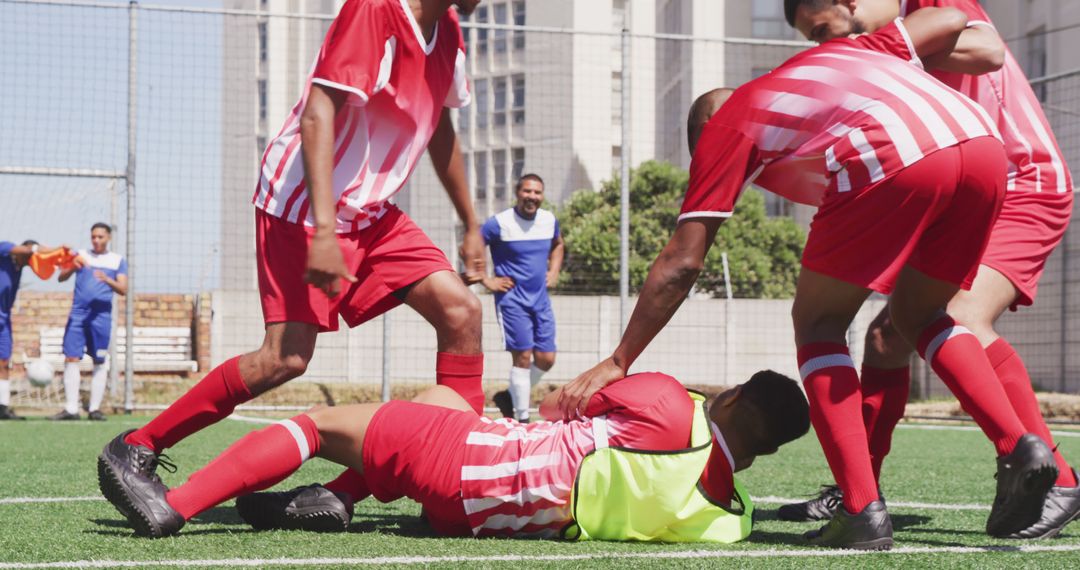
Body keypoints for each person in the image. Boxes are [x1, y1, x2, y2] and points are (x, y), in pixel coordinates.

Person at [561, 9, 1059, 550]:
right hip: (983, 147)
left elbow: (682, 263)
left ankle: (862, 509)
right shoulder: (845, 55)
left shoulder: (725, 123)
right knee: (921, 315)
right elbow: (952, 18)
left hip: (897, 152)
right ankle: (1016, 444)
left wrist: (619, 360)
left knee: (819, 324)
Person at [98, 0, 488, 517]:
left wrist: (472, 223)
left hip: (371, 212)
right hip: (303, 203)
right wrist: (325, 230)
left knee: (462, 312)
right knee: (284, 359)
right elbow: (318, 110)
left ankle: (347, 491)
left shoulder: (451, 32)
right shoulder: (376, 12)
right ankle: (140, 444)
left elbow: (438, 126)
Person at [781, 0, 1079, 540]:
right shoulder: (888, 39)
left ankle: (1058, 478)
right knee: (886, 340)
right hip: (961, 183)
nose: (823, 45)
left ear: (848, 3)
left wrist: (871, 49)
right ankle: (859, 493)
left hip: (1021, 182)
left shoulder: (926, 4)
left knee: (959, 315)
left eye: (821, 30)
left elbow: (986, 49)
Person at [103, 368, 809, 540]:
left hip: (465, 463)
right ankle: (342, 497)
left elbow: (573, 403)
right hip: (479, 518)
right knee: (444, 393)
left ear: (737, 397)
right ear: (767, 448)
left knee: (318, 423)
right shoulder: (729, 518)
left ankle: (175, 505)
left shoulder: (668, 402)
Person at [480, 174, 565, 422]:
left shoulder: (549, 220)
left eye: (537, 193)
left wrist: (554, 270)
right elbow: (474, 245)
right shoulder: (499, 223)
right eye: (527, 191)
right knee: (524, 357)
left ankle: (508, 396)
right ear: (517, 192)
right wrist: (486, 280)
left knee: (547, 359)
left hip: (540, 300)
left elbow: (558, 244)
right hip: (511, 300)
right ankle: (522, 418)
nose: (532, 197)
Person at [51, 223, 127, 422]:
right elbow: (61, 277)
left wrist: (107, 280)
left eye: (100, 237)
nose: (96, 240)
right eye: (93, 236)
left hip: (101, 316)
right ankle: (71, 409)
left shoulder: (117, 260)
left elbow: (123, 288)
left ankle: (94, 409)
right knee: (71, 358)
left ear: (108, 238)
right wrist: (71, 268)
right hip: (78, 314)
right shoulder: (81, 255)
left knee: (99, 360)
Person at [1, 240, 66, 420]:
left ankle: (2, 407)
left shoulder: (19, 268)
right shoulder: (5, 250)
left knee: (5, 362)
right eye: (32, 256)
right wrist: (54, 249)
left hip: (4, 319)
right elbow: (26, 249)